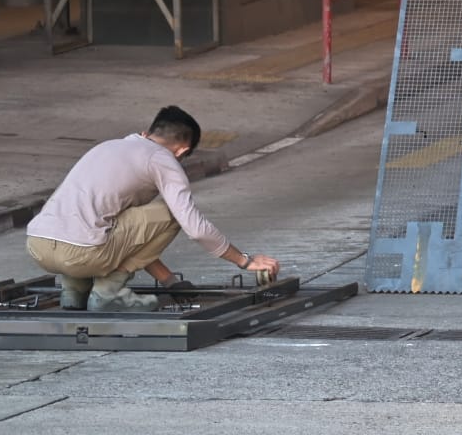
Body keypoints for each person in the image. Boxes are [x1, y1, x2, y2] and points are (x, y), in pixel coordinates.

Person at [26, 106, 278, 312]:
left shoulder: (106, 147)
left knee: (96, 218)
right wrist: (244, 261)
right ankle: (107, 295)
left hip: (38, 246)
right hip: (84, 254)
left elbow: (132, 240)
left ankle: (74, 292)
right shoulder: (163, 159)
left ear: (147, 132)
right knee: (172, 213)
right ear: (182, 150)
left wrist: (170, 281)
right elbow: (196, 228)